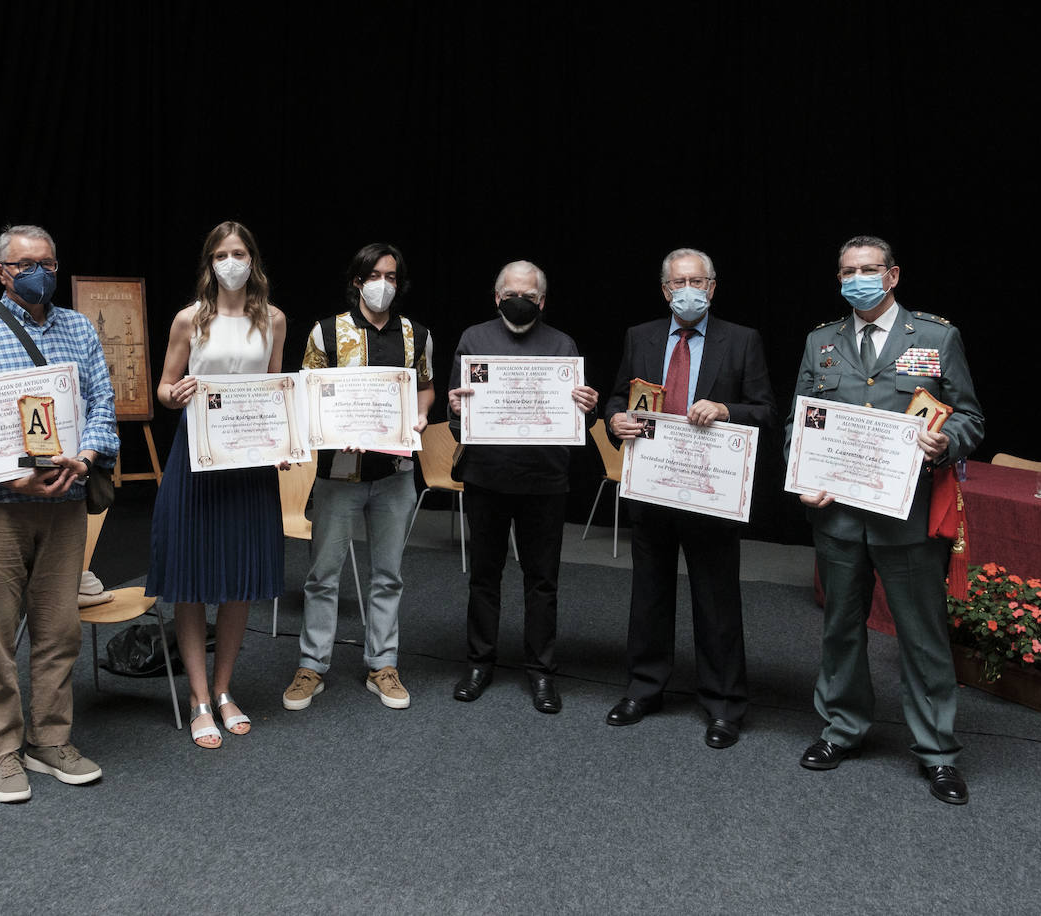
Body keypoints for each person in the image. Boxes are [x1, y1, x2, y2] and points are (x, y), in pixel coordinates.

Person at [787, 235, 984, 805]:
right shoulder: (820, 342)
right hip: (840, 517)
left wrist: (945, 442)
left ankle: (938, 752)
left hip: (908, 518)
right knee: (839, 630)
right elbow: (802, 424)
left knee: (922, 636)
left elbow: (970, 416)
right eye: (848, 271)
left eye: (868, 270)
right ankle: (842, 729)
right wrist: (800, 476)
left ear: (892, 275)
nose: (857, 280)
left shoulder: (936, 336)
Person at [0, 225, 119, 803]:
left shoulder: (80, 328)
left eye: (47, 262)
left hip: (65, 504)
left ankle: (51, 739)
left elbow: (103, 405)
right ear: (1, 272)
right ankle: (1, 750)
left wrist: (86, 459)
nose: (38, 272)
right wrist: (9, 475)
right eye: (25, 264)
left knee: (59, 631)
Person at [602, 248, 777, 748]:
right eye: (678, 282)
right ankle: (644, 688)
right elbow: (618, 399)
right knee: (649, 593)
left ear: (712, 287)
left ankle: (723, 706)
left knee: (716, 598)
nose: (687, 290)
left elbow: (767, 412)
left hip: (710, 490)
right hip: (652, 486)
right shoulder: (641, 336)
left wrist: (725, 408)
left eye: (697, 281)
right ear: (664, 290)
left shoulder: (742, 341)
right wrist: (615, 420)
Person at [147, 220, 288, 748]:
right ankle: (199, 697)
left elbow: (278, 388)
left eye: (240, 252)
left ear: (254, 259)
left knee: (239, 575)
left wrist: (284, 444)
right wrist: (173, 395)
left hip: (250, 460)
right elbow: (163, 387)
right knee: (192, 576)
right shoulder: (190, 320)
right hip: (196, 456)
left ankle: (226, 690)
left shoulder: (273, 319)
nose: (232, 262)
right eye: (222, 254)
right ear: (209, 262)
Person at [282, 243, 434, 712]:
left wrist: (422, 418)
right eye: (374, 275)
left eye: (391, 275)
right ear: (357, 281)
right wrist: (331, 429)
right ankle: (312, 665)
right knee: (323, 575)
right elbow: (308, 395)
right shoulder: (327, 332)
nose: (382, 284)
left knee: (387, 575)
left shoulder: (417, 334)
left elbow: (425, 390)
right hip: (338, 473)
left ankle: (382, 664)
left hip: (396, 472)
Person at [447, 260, 598, 713]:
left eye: (530, 295)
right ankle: (479, 663)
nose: (521, 299)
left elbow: (579, 423)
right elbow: (459, 423)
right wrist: (456, 410)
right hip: (486, 477)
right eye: (513, 292)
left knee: (542, 581)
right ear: (497, 297)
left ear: (542, 301)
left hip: (544, 481)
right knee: (484, 578)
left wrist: (586, 408)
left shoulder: (562, 344)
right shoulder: (474, 340)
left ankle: (541, 672)